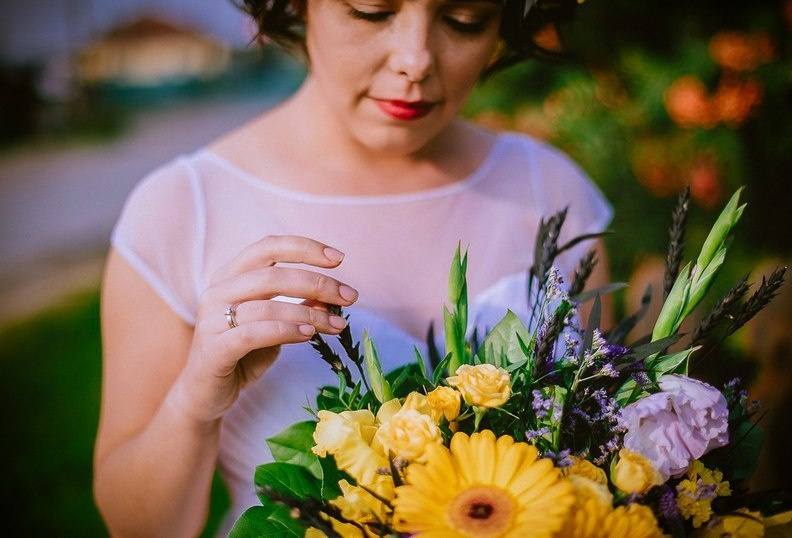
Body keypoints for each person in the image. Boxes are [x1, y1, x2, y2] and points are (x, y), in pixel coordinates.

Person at [92, 0, 612, 535]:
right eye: (370, 10)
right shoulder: (181, 210)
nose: (416, 60)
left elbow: (609, 460)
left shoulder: (550, 190)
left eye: (465, 20)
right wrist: (195, 401)